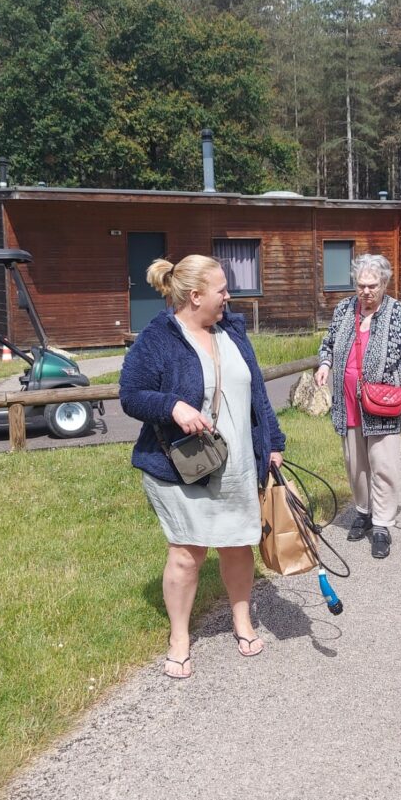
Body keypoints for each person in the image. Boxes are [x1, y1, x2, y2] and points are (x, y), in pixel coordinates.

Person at [119, 255, 285, 679]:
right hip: (183, 465)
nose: (228, 296)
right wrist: (173, 405)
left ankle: (242, 620)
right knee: (188, 554)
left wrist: (274, 444)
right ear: (195, 296)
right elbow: (131, 395)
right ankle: (179, 637)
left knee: (237, 545)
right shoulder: (159, 338)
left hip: (238, 465)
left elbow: (256, 394)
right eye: (221, 290)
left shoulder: (231, 329)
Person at [314, 253, 401, 559]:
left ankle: (381, 524)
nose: (365, 291)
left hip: (382, 403)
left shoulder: (399, 313)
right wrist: (325, 364)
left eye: (372, 285)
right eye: (361, 285)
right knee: (355, 465)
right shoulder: (343, 309)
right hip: (347, 400)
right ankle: (364, 511)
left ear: (385, 283)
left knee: (383, 465)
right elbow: (327, 343)